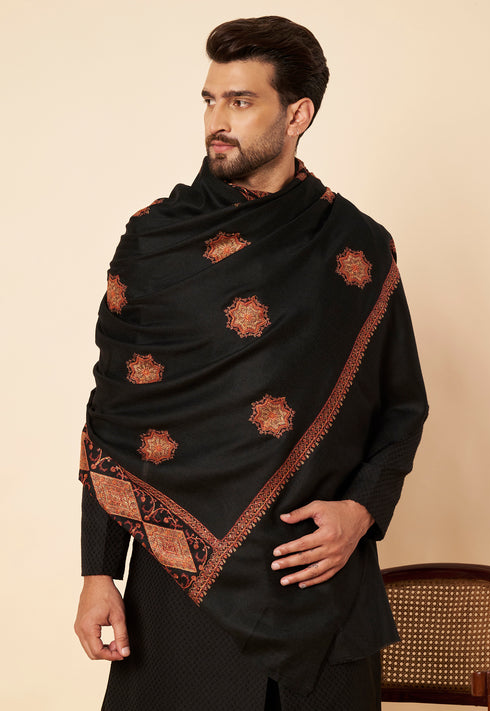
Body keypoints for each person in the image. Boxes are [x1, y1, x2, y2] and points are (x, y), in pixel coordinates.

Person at [74, 15, 428, 711]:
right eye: (210, 100)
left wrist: (362, 510)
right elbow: (116, 416)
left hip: (321, 591)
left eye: (240, 101)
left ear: (297, 115)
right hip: (179, 600)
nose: (217, 120)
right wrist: (98, 571)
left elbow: (401, 405)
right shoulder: (156, 241)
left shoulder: (356, 246)